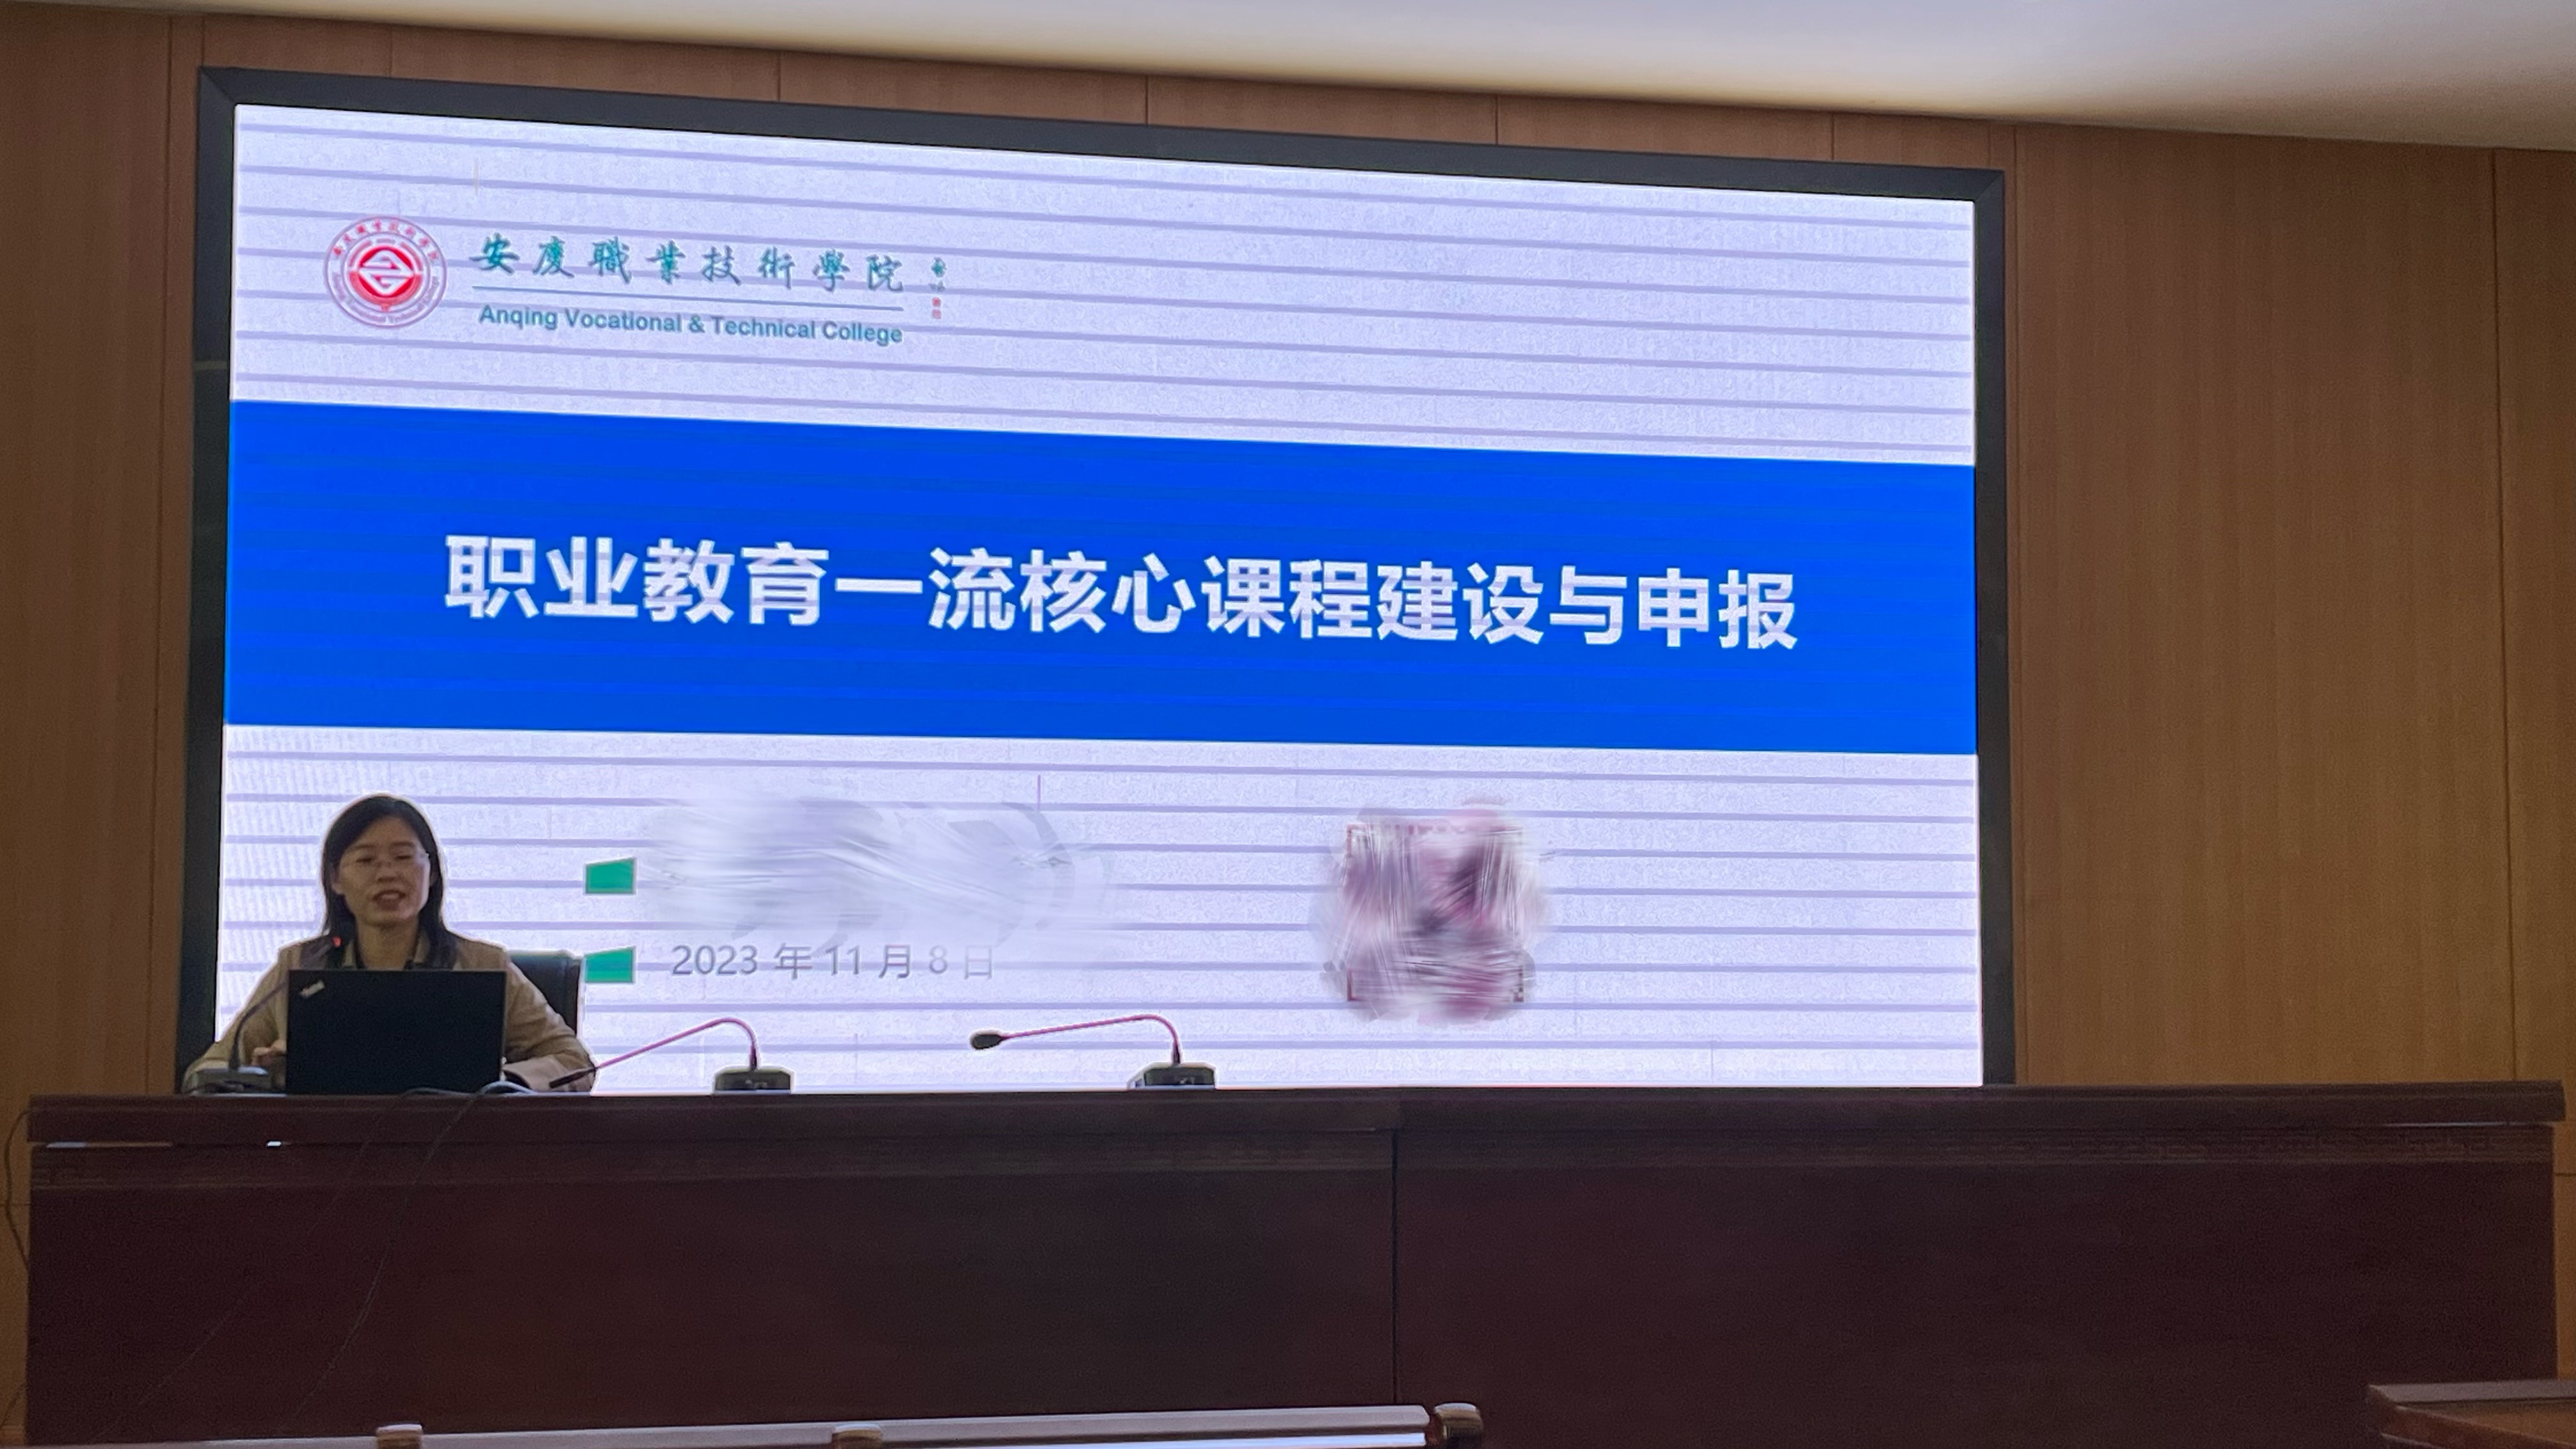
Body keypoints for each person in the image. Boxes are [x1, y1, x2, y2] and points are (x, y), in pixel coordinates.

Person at [188, 794, 595, 1091]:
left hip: (451, 1160)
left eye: (403, 857)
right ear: (335, 880)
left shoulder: (482, 964)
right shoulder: (300, 965)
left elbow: (574, 1062)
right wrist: (264, 1076)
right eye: (366, 860)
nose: (387, 874)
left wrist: (501, 1081)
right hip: (327, 1159)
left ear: (431, 873)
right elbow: (205, 1073)